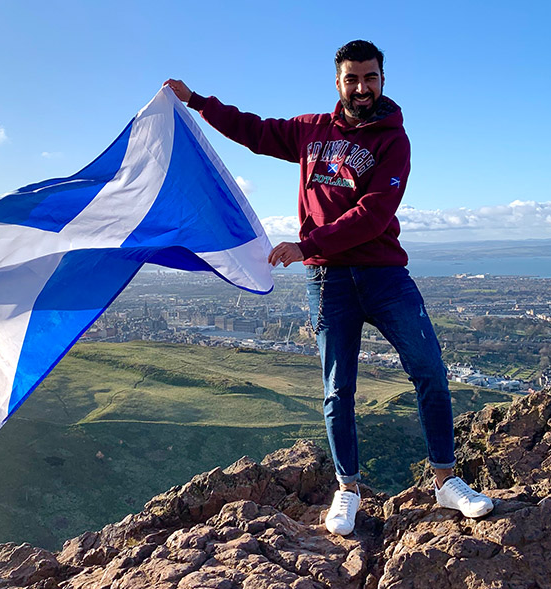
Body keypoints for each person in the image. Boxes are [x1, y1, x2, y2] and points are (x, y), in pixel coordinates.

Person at [165, 40, 493, 536]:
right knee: (338, 390)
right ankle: (347, 489)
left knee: (429, 370)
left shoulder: (393, 141)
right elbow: (254, 130)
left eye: (371, 78)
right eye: (352, 79)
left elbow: (374, 214)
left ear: (384, 79)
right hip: (328, 280)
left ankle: (446, 481)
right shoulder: (310, 130)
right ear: (337, 82)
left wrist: (307, 243)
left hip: (383, 274)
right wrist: (196, 101)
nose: (362, 88)